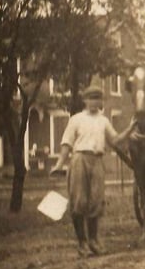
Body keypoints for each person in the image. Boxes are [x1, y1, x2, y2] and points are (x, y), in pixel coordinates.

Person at [50, 86, 125, 257]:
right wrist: (59, 164)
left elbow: (115, 140)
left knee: (96, 201)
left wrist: (130, 130)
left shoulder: (104, 121)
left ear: (101, 101)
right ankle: (82, 243)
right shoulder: (76, 119)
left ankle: (93, 240)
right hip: (79, 159)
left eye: (97, 98)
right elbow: (67, 143)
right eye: (91, 98)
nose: (94, 102)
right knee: (79, 201)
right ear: (85, 100)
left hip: (97, 160)